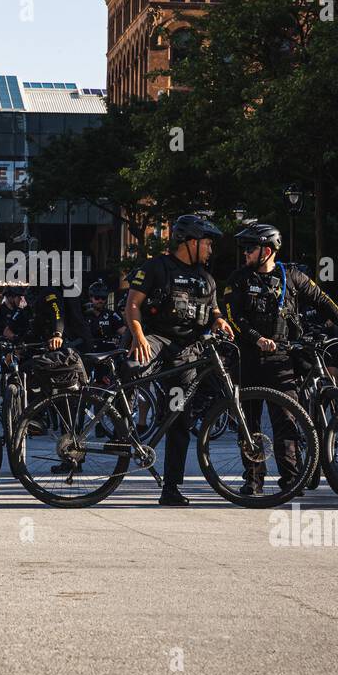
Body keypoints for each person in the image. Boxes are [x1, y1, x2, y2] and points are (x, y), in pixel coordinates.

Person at [223, 222, 338, 495]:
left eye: (250, 249)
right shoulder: (238, 279)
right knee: (248, 424)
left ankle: (291, 480)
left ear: (266, 250)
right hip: (248, 359)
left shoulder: (293, 276)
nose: (245, 254)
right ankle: (253, 481)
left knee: (286, 421)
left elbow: (323, 301)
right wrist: (256, 338)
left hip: (282, 360)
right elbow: (234, 317)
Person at [126, 214, 234, 506]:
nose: (210, 249)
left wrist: (220, 321)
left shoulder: (206, 278)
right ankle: (120, 430)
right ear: (191, 242)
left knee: (178, 419)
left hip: (186, 353)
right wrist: (138, 337)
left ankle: (171, 489)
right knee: (130, 367)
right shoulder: (156, 267)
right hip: (157, 340)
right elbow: (132, 304)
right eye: (207, 243)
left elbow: (213, 311)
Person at [83, 280, 126, 351]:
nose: (100, 300)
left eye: (103, 298)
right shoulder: (83, 315)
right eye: (97, 297)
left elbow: (124, 332)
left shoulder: (112, 315)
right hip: (87, 352)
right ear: (91, 298)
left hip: (108, 353)